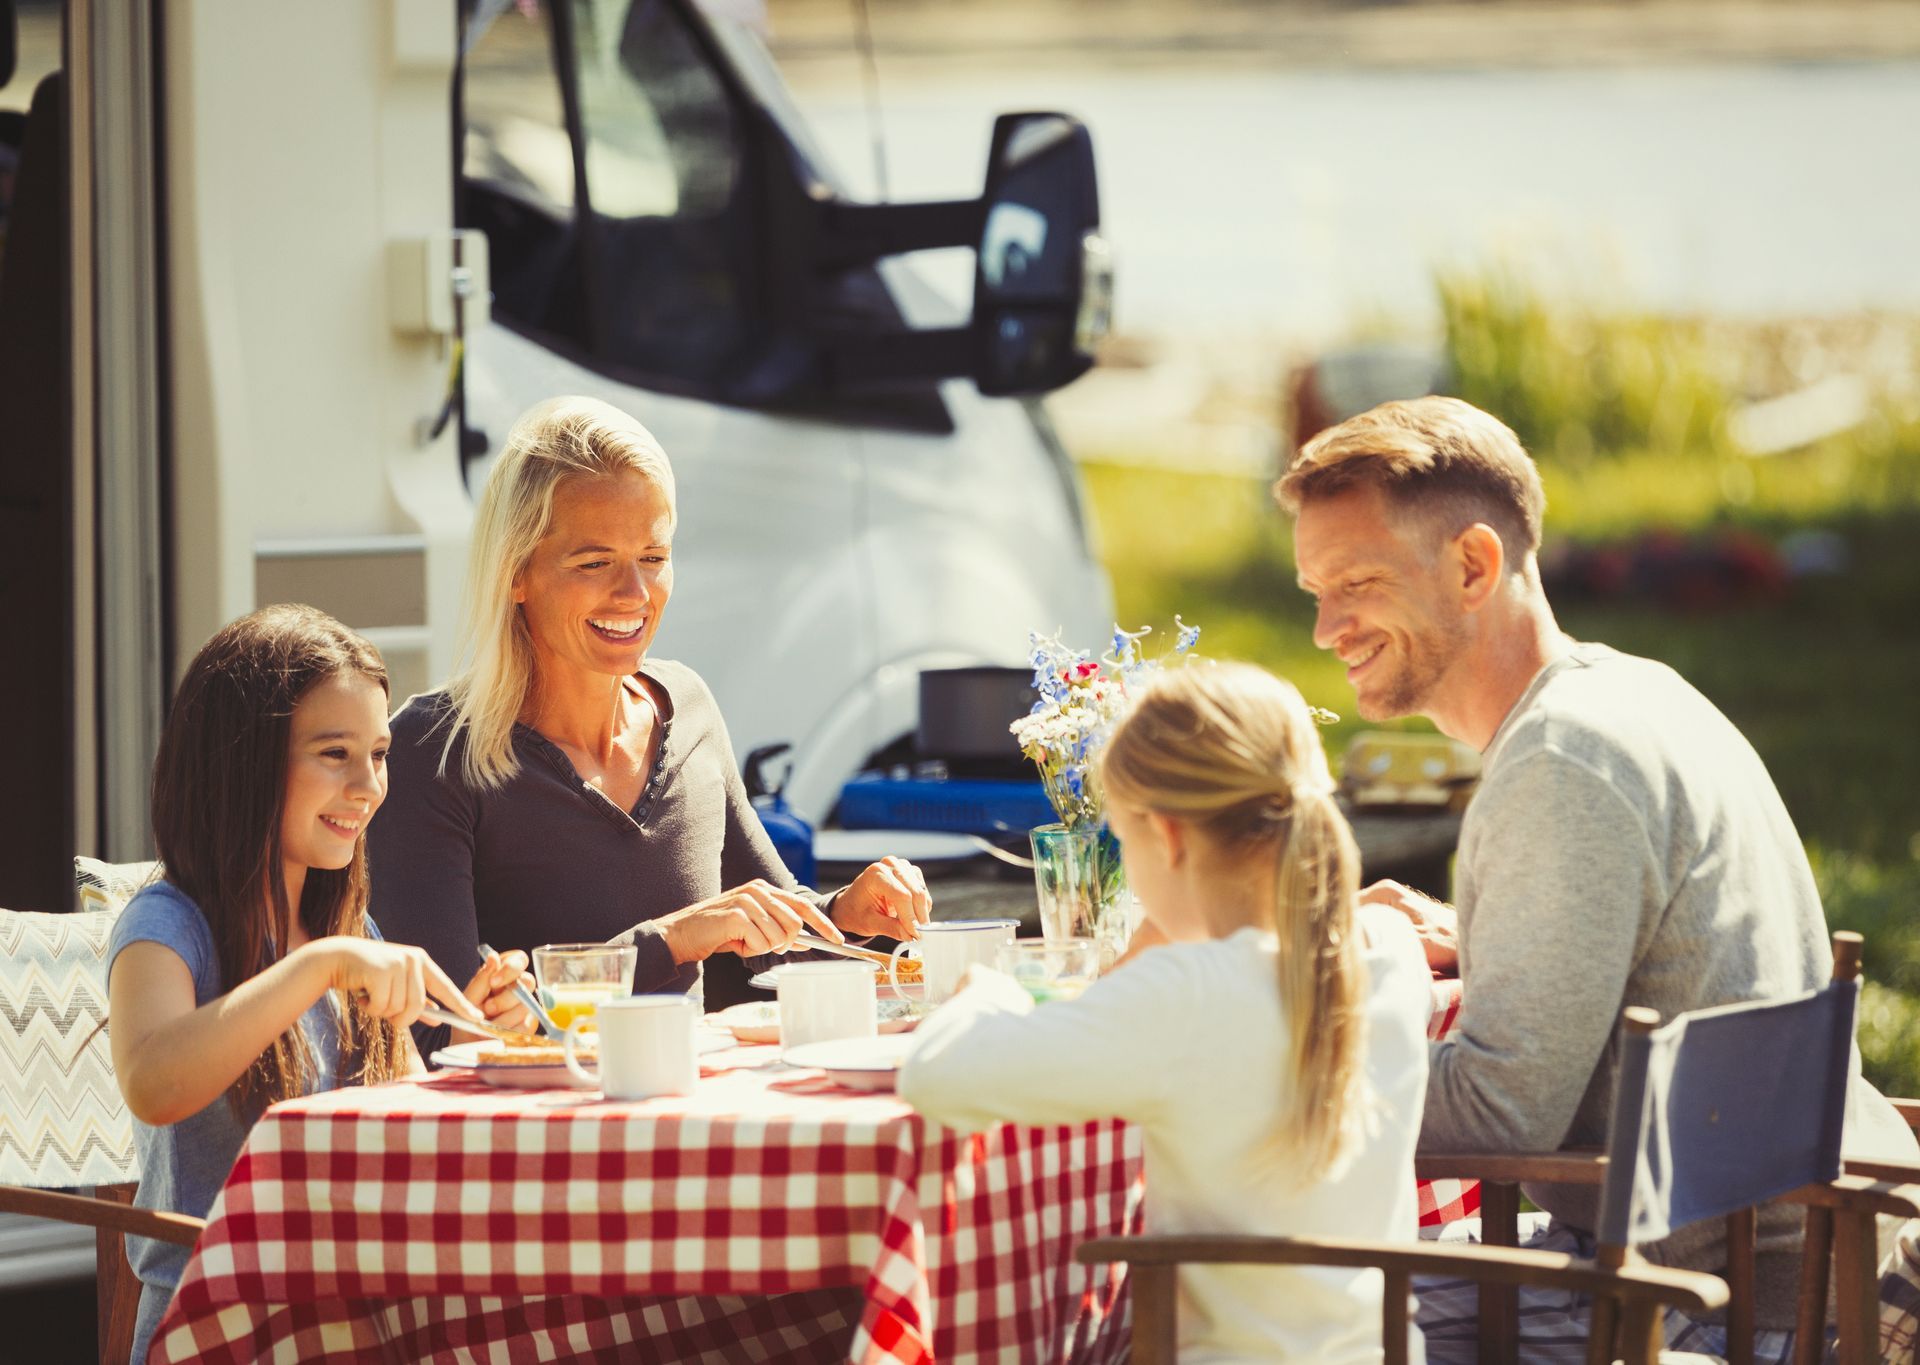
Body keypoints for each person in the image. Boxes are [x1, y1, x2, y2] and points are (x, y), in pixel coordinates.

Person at [1277, 395, 1919, 1359]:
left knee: (1267, 1315)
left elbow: (1500, 1113)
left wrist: (1279, 1064)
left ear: (1473, 565)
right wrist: (1485, 933)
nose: (1327, 628)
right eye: (1314, 591)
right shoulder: (1633, 691)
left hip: (1722, 1307)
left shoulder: (1561, 763)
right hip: (1789, 1255)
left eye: (1357, 582)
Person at [900, 662, 1433, 1364]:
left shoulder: (1189, 992)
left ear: (1169, 836)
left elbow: (934, 1073)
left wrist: (987, 989)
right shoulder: (1390, 951)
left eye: (1123, 835)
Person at [369, 396, 932, 1047]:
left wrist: (850, 916)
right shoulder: (431, 752)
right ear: (515, 572)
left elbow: (781, 948)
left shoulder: (686, 708)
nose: (635, 594)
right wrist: (671, 940)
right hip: (533, 1140)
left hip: (694, 1122)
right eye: (594, 561)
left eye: (654, 556)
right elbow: (444, 1028)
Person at [106, 605, 521, 1365]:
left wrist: (470, 1040)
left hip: (350, 1318)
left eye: (380, 754)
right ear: (243, 760)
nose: (368, 787)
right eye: (336, 753)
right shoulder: (168, 924)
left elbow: (403, 1128)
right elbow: (153, 1080)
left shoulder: (345, 929)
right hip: (220, 1326)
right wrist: (318, 966)